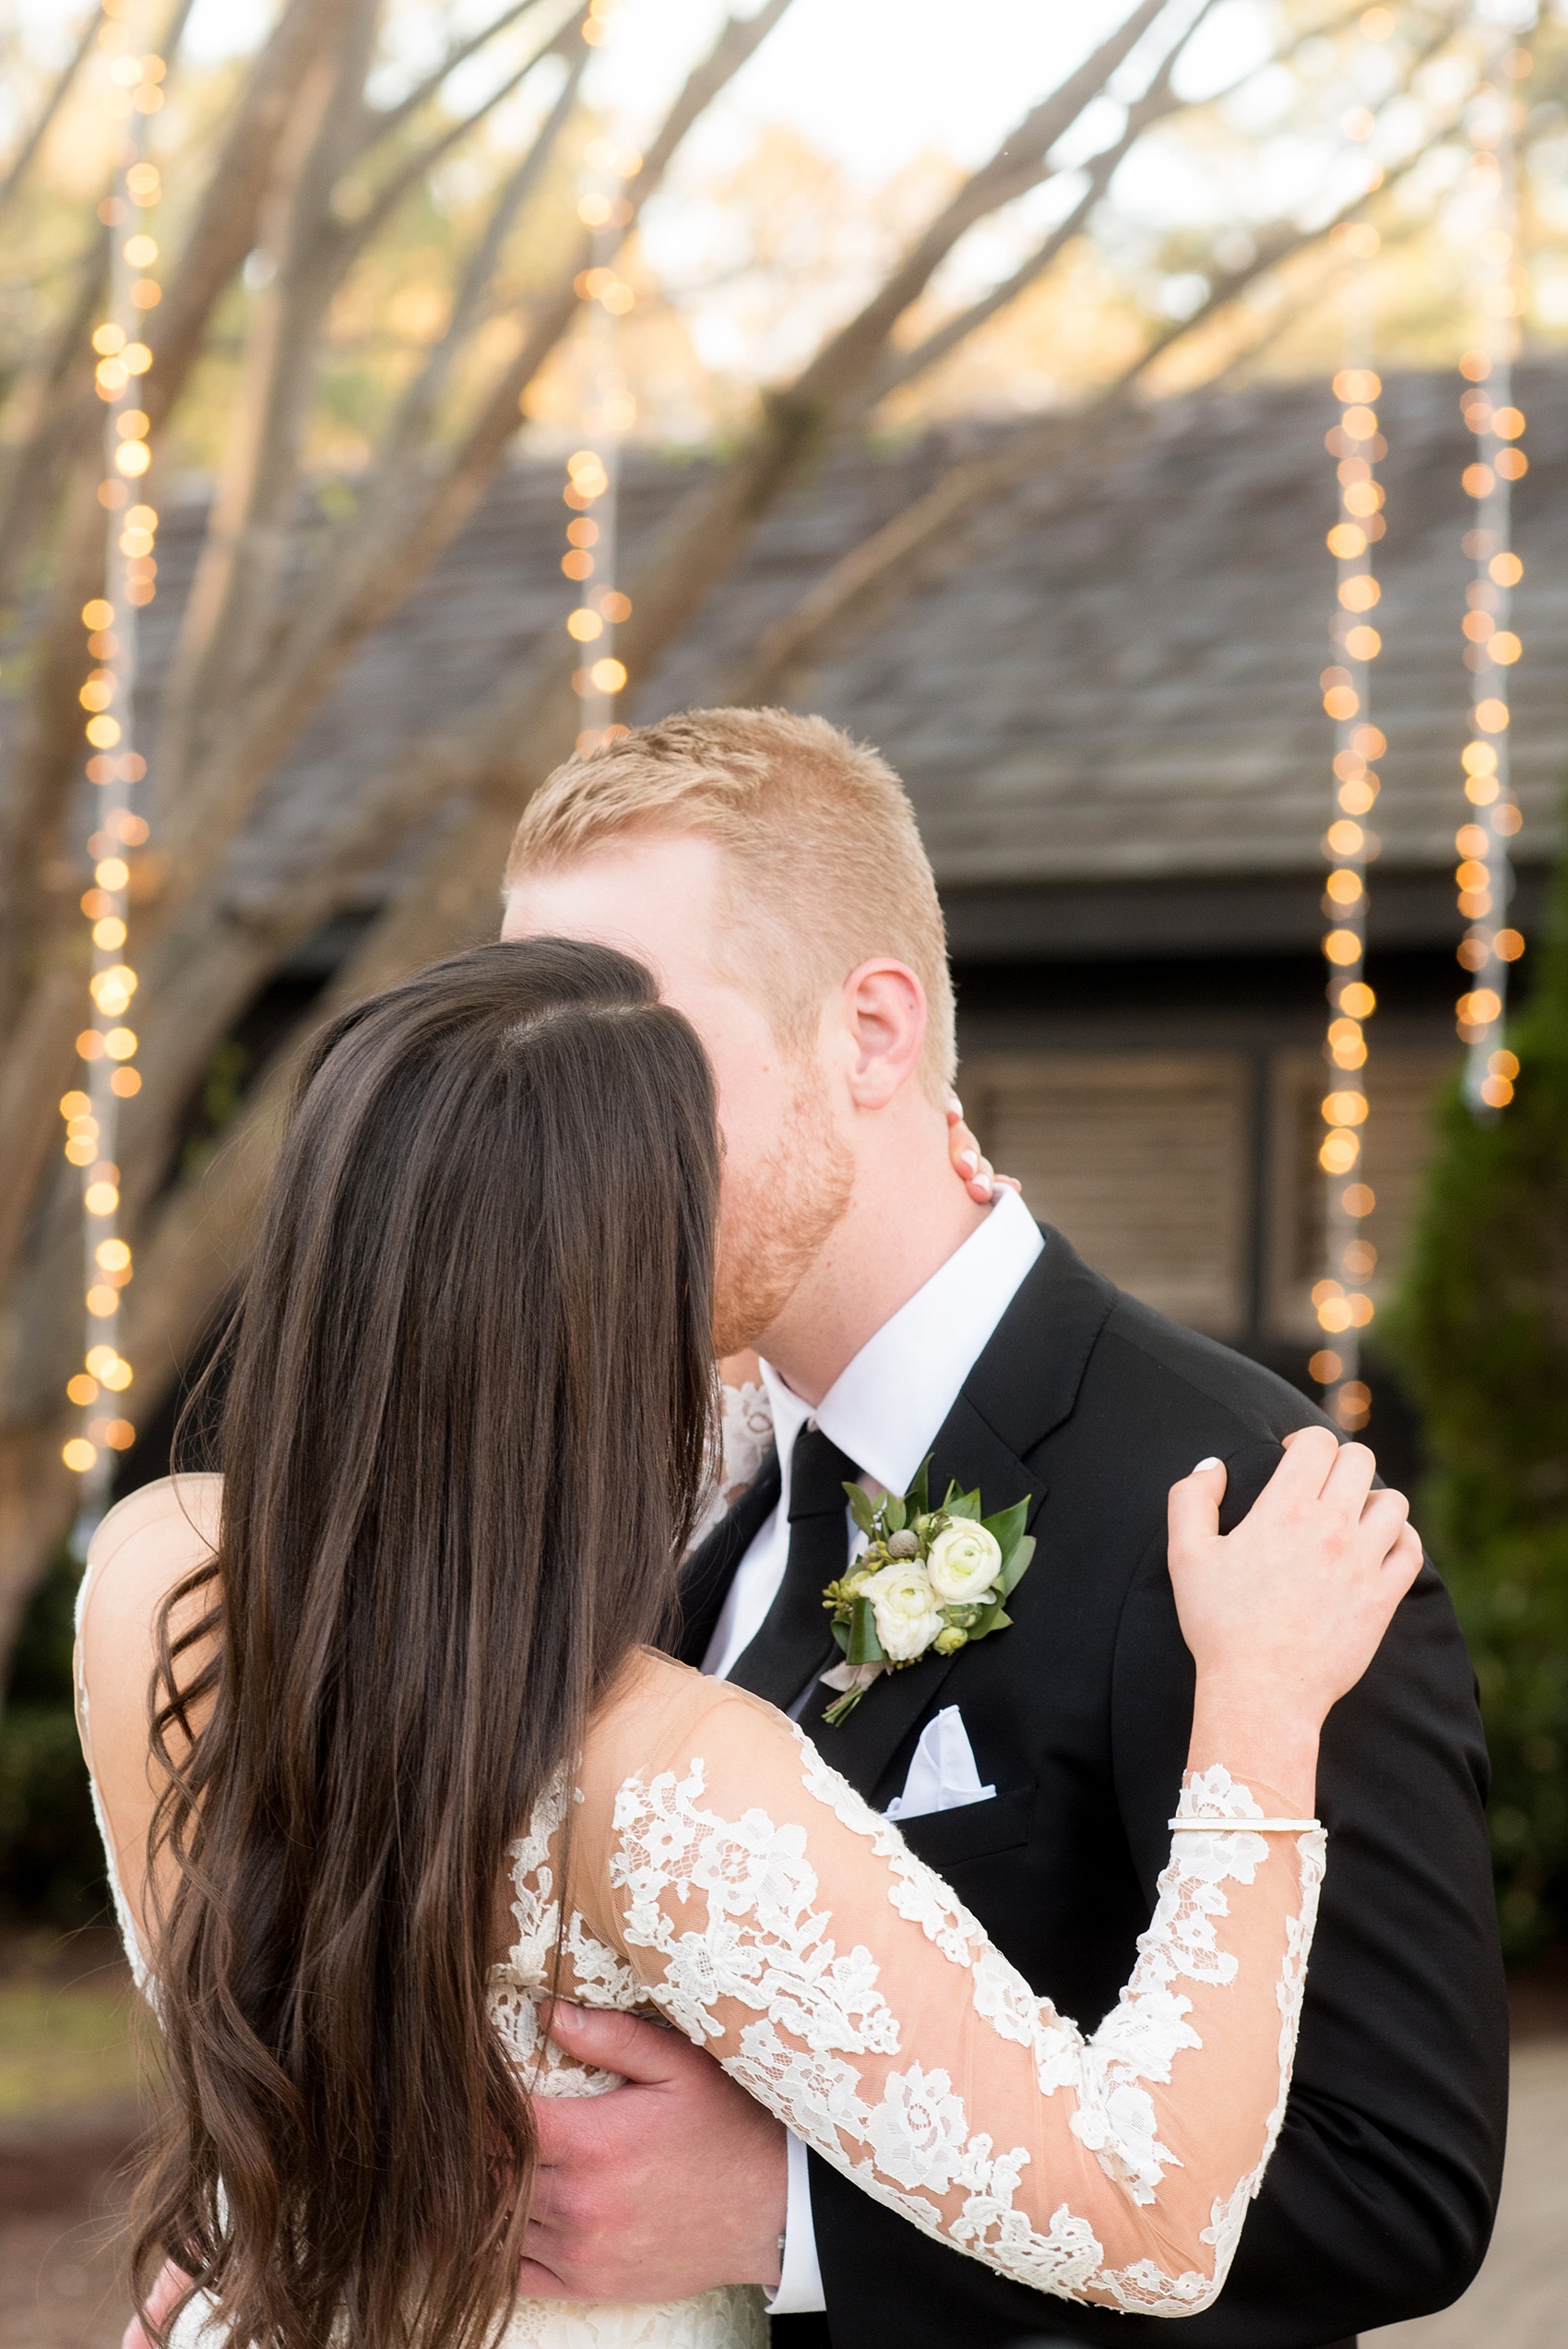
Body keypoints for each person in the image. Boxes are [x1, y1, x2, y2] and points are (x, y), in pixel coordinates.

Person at [77, 938, 1421, 2349]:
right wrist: (1260, 1711)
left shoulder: (159, 1576)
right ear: (621, 1330)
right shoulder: (672, 1782)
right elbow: (1157, 2215)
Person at [494, 708, 1508, 2349]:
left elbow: (1395, 2181)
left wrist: (783, 2212)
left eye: (623, 1057)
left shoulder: (1238, 1508)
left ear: (873, 1035)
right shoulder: (703, 1487)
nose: (560, 1138)